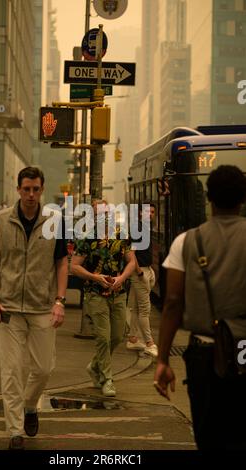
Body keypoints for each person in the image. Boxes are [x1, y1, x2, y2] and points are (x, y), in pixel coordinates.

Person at [154, 165, 246, 450]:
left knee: (210, 436)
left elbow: (172, 303)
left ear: (208, 199)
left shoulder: (187, 242)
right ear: (243, 199)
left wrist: (163, 360)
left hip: (205, 356)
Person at [0, 166, 68, 450]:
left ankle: (30, 406)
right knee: (11, 370)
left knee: (44, 369)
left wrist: (60, 301)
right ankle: (15, 431)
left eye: (35, 189)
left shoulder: (55, 221)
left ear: (42, 189)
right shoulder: (1, 220)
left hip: (43, 306)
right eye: (26, 189)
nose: (30, 194)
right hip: (8, 308)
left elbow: (61, 263)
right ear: (18, 190)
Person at [71, 199, 135, 398]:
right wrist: (95, 277)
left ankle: (95, 366)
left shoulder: (121, 235)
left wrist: (122, 278)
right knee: (103, 338)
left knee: (117, 336)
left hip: (118, 292)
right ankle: (107, 379)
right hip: (95, 293)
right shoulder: (86, 237)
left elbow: (132, 261)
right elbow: (75, 266)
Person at [127, 203, 157, 357]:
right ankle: (149, 343)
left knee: (137, 308)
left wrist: (150, 270)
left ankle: (132, 339)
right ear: (140, 213)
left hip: (146, 270)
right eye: (147, 212)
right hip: (140, 272)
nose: (150, 214)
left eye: (152, 212)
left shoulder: (145, 227)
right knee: (145, 309)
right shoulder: (138, 228)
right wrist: (139, 272)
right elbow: (131, 253)